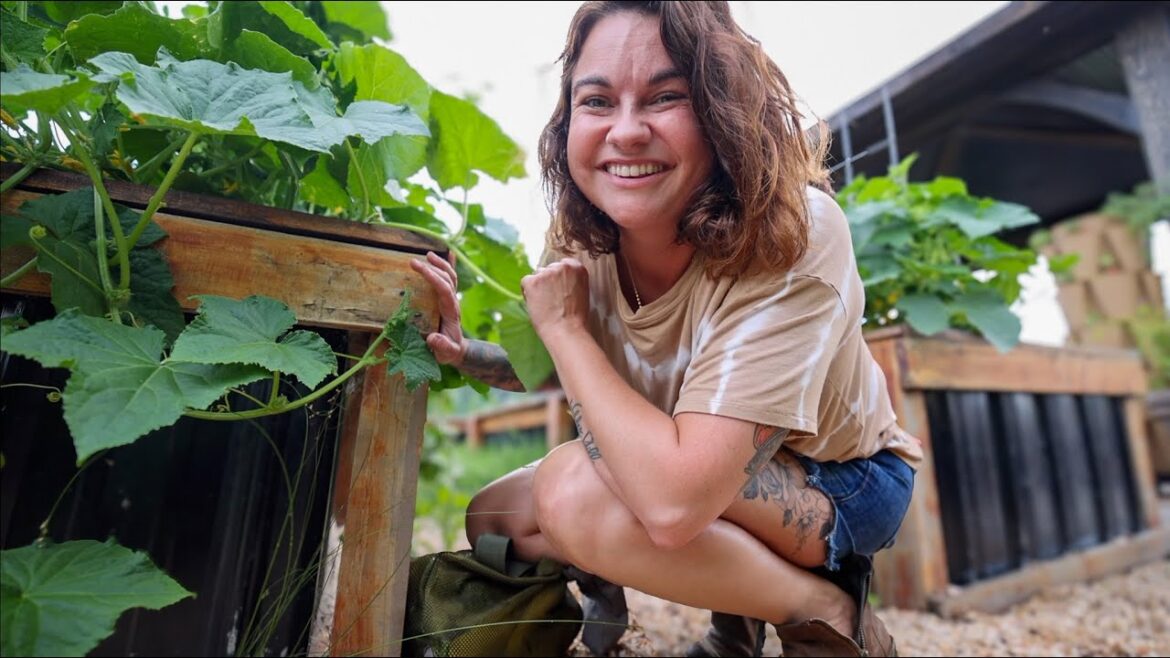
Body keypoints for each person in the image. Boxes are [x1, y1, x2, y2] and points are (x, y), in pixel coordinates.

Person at [410, 2, 922, 656]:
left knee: (576, 495)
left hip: (843, 477)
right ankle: (703, 618)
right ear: (567, 121)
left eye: (665, 97)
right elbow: (564, 367)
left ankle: (825, 611)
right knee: (496, 516)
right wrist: (465, 353)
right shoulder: (583, 235)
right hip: (695, 451)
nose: (625, 132)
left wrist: (566, 330)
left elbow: (675, 504)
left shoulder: (795, 231)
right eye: (597, 101)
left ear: (723, 110)